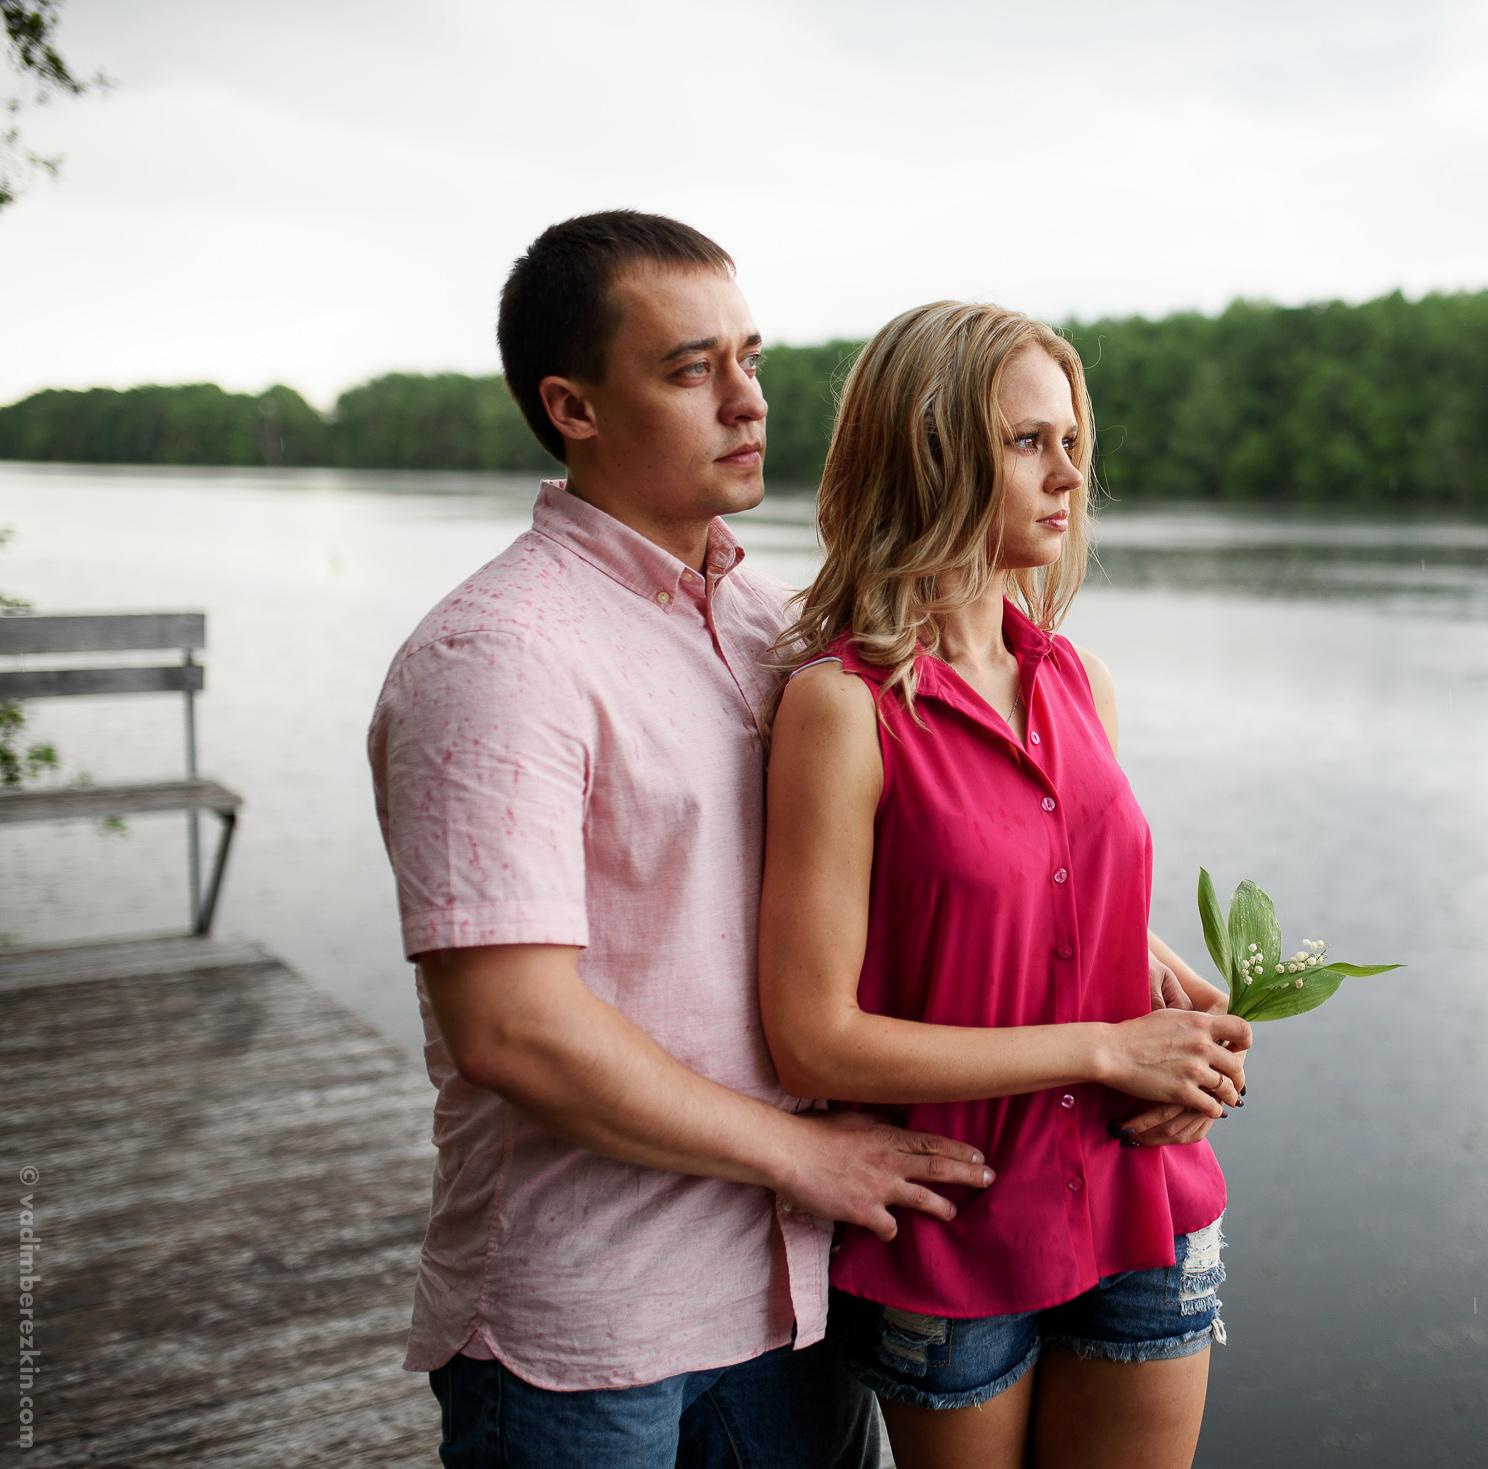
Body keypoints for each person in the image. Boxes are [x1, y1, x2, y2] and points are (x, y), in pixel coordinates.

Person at [366, 212, 994, 1469]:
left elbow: (933, 850)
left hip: (793, 1303)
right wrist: (803, 1155)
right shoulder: (498, 657)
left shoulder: (779, 628)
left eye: (750, 359)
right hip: (589, 1329)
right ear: (573, 406)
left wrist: (1114, 951)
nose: (747, 400)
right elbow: (513, 1027)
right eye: (690, 368)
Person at [758, 300, 1253, 1469]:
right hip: (959, 1237)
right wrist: (1100, 1048)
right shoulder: (842, 708)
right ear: (928, 451)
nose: (1069, 475)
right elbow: (813, 1040)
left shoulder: (1079, 678)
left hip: (1146, 1202)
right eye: (1029, 441)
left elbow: (1079, 928)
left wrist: (1186, 1045)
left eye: (1073, 442)